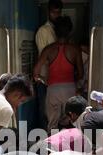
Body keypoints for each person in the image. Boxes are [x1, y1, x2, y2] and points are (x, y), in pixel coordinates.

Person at [34, 16, 83, 133]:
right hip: (70, 89)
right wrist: (74, 81)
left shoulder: (48, 49)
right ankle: (70, 147)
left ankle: (52, 148)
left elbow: (35, 72)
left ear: (55, 32)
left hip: (53, 89)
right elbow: (81, 74)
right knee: (71, 121)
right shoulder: (75, 49)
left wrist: (44, 80)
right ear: (70, 32)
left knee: (52, 124)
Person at [35, 0, 63, 130]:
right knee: (45, 108)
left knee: (54, 109)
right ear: (48, 12)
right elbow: (43, 56)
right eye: (53, 12)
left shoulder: (58, 30)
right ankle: (44, 136)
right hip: (45, 76)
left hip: (56, 78)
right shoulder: (43, 31)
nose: (56, 15)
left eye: (58, 12)